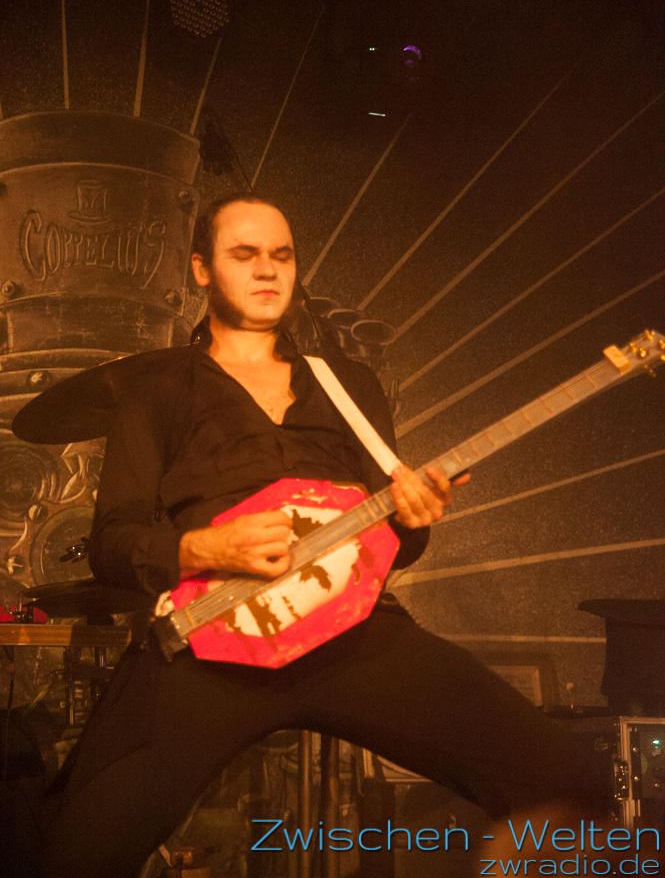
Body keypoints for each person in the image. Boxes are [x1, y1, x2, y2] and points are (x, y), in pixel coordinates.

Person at [41, 196, 610, 878]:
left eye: (281, 256)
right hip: (212, 639)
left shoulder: (346, 386)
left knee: (565, 780)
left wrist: (410, 517)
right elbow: (112, 542)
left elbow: (396, 547)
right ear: (201, 269)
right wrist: (203, 548)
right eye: (244, 255)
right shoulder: (159, 389)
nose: (267, 270)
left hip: (350, 633)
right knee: (75, 851)